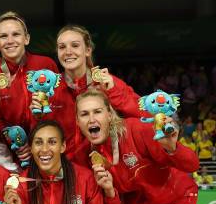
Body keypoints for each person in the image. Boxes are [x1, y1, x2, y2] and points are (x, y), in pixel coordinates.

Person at [30, 25, 142, 158]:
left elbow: (143, 113)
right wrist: (37, 118)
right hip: (68, 167)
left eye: (75, 45)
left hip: (108, 165)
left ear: (88, 50)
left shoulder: (106, 82)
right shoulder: (49, 88)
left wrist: (114, 92)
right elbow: (38, 137)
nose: (68, 52)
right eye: (62, 47)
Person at [0, 11, 58, 170]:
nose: (10, 41)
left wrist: (35, 143)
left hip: (46, 148)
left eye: (16, 34)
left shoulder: (46, 66)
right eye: (3, 36)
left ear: (26, 38)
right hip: (9, 156)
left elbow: (58, 111)